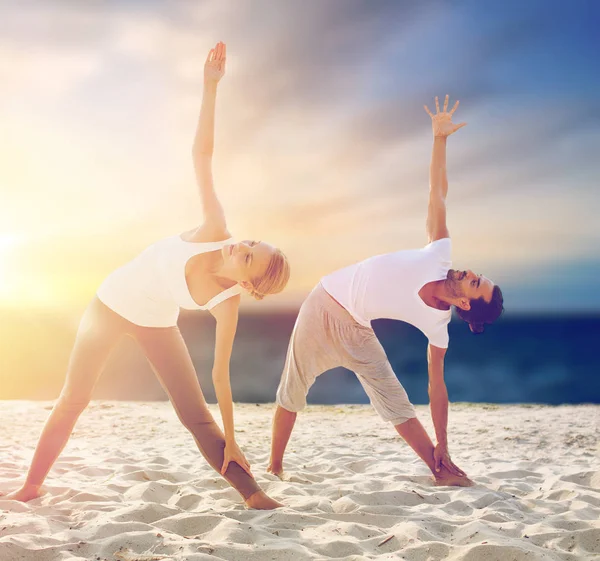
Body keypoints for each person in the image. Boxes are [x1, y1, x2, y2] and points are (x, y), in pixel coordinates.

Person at [4, 42, 289, 509]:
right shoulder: (215, 230)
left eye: (249, 258)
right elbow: (202, 155)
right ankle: (32, 484)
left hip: (156, 322)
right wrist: (210, 86)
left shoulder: (227, 304)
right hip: (109, 304)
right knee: (73, 400)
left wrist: (234, 440)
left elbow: (221, 378)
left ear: (249, 284)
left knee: (196, 416)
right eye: (253, 243)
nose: (242, 246)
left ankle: (253, 496)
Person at [268, 95, 503, 487]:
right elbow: (437, 193)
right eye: (476, 275)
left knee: (396, 401)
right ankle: (274, 467)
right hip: (323, 302)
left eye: (475, 283)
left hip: (357, 329)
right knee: (292, 390)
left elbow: (437, 386)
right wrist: (440, 139)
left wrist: (444, 441)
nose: (470, 273)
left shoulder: (438, 325)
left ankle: (440, 469)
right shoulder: (439, 252)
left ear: (465, 302)